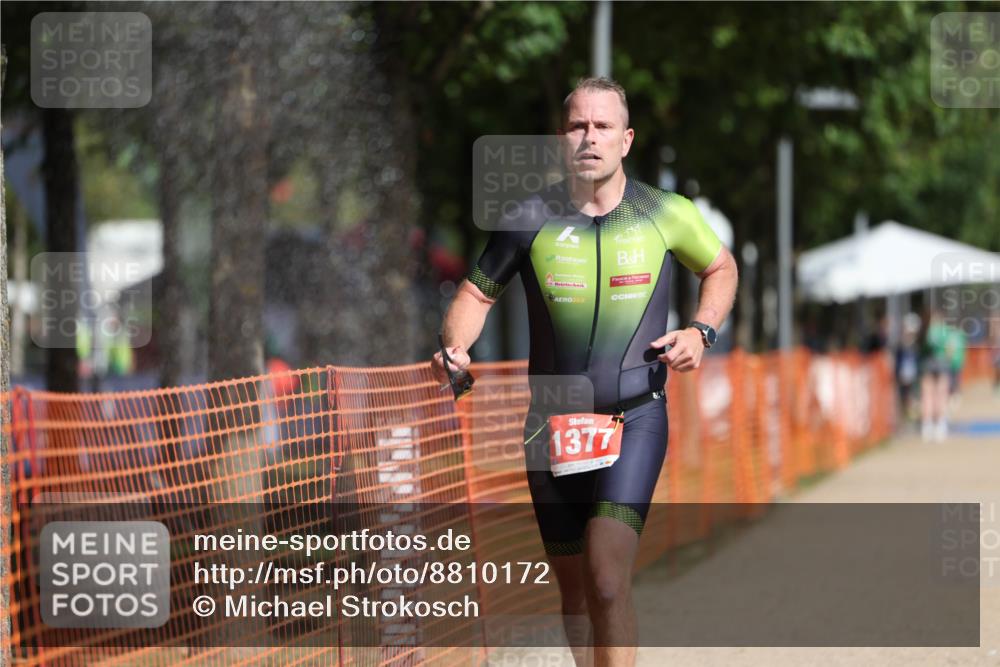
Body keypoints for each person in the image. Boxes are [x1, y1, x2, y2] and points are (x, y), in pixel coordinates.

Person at [430, 77, 738, 667]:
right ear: (561, 138)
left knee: (606, 578)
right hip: (551, 426)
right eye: (578, 125)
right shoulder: (528, 217)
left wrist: (701, 331)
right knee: (574, 593)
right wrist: (455, 348)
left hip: (636, 416)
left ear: (626, 139)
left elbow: (720, 268)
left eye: (602, 126)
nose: (589, 137)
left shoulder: (665, 212)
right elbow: (475, 293)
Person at [919, 309, 953, 442]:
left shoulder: (926, 331)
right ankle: (940, 424)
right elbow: (950, 349)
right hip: (941, 363)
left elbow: (921, 348)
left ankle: (927, 425)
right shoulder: (945, 331)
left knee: (928, 395)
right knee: (941, 394)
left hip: (927, 363)